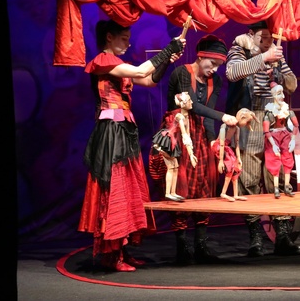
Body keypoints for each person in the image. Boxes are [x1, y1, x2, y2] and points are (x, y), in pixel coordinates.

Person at [79, 19, 185, 272]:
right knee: (115, 188)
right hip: (112, 130)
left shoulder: (117, 64)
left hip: (124, 129)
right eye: (124, 38)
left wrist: (166, 61)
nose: (128, 44)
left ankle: (122, 250)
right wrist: (168, 50)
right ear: (109, 37)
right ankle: (111, 254)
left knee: (128, 188)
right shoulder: (103, 61)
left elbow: (148, 81)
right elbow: (139, 72)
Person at [148, 34, 238, 265]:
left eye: (219, 66)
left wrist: (212, 142)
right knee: (181, 187)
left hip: (200, 136)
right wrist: (223, 116)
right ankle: (182, 246)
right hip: (180, 133)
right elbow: (194, 106)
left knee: (204, 186)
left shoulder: (215, 82)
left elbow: (206, 116)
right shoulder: (181, 73)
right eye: (212, 63)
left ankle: (201, 245)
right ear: (201, 56)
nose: (214, 70)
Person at [225, 20, 300, 257]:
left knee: (276, 175)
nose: (268, 42)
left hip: (273, 117)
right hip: (249, 117)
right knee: (247, 176)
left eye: (270, 37)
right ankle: (255, 237)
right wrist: (262, 58)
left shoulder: (276, 53)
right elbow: (232, 73)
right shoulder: (240, 49)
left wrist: (279, 72)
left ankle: (282, 235)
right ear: (251, 34)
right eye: (263, 37)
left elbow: (292, 84)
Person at [150, 92, 196, 202]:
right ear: (183, 103)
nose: (191, 102)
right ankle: (168, 193)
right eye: (189, 100)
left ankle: (173, 192)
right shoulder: (179, 117)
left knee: (175, 166)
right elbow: (184, 135)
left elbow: (188, 136)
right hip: (166, 141)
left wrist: (191, 153)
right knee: (171, 166)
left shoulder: (187, 117)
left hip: (173, 141)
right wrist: (190, 155)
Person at [263, 83, 299, 199]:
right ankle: (276, 188)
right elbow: (266, 130)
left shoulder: (287, 110)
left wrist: (293, 139)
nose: (282, 96)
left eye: (282, 93)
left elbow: (296, 125)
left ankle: (287, 186)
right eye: (279, 94)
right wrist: (273, 144)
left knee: (288, 158)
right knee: (274, 159)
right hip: (272, 136)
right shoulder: (269, 112)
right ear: (273, 95)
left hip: (285, 135)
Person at [214, 108, 257, 202]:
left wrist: (238, 158)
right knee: (230, 168)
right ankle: (223, 193)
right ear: (242, 117)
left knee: (236, 168)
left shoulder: (237, 128)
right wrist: (221, 160)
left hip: (226, 147)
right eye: (247, 122)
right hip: (219, 147)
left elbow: (237, 144)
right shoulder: (224, 127)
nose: (247, 124)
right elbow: (221, 143)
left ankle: (236, 194)